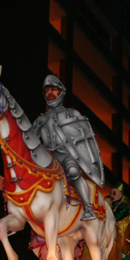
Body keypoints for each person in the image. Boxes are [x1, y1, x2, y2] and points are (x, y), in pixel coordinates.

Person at [32, 75, 104, 220]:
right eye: (46, 90)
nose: (49, 93)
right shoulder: (41, 119)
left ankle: (88, 207)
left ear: (61, 92)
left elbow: (83, 139)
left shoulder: (71, 113)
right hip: (46, 156)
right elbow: (31, 142)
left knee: (73, 170)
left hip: (65, 154)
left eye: (53, 90)